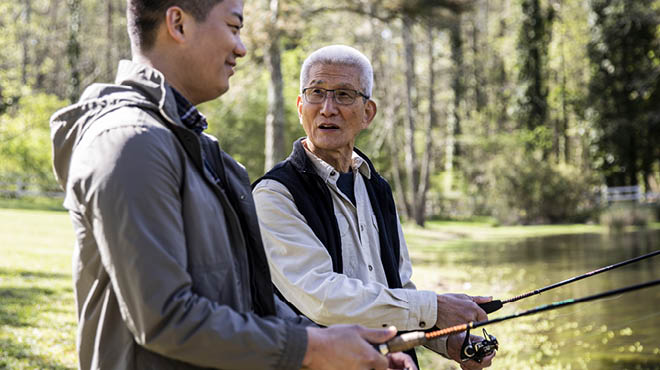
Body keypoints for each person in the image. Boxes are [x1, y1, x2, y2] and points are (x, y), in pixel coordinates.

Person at [50, 2, 416, 369]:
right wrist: (312, 346)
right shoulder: (131, 142)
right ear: (178, 23)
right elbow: (166, 318)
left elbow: (246, 299)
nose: (241, 48)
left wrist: (352, 345)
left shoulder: (199, 151)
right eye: (234, 27)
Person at [252, 45, 496, 369]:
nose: (327, 108)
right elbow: (321, 298)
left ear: (368, 113)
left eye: (343, 95)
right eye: (316, 93)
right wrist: (434, 308)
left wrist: (447, 340)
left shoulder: (378, 188)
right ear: (300, 106)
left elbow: (398, 290)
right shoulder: (274, 195)